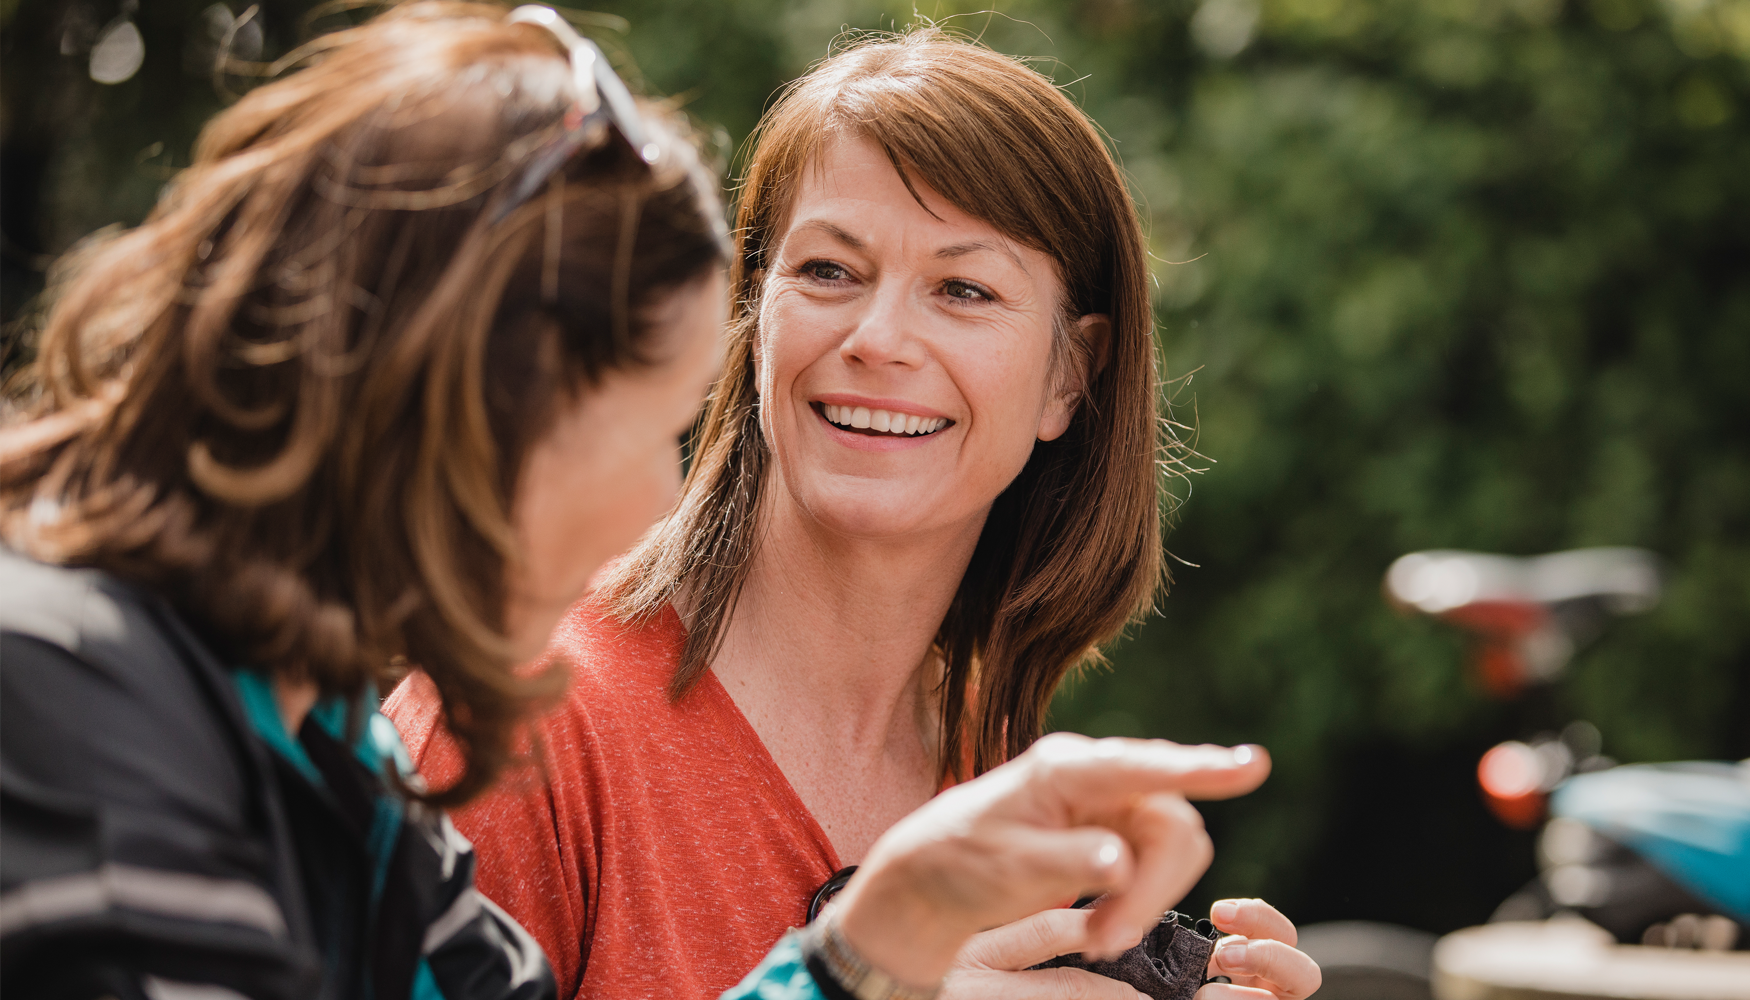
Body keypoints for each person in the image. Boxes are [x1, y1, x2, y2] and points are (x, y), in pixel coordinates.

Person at [1, 5, 1277, 1000]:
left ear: (1077, 369)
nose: (657, 500)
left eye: (963, 290)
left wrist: (887, 936)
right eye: (643, 423)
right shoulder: (75, 712)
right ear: (463, 399)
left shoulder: (330, 759)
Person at [386, 25, 1321, 1000]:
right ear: (751, 317)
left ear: (1069, 376)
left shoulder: (996, 774)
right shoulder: (512, 725)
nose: (878, 339)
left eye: (961, 289)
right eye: (828, 271)